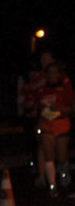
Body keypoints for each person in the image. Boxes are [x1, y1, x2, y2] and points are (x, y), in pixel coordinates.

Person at [32, 62, 73, 196]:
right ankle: (52, 185)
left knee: (61, 157)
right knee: (48, 155)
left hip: (61, 124)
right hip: (46, 124)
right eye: (50, 73)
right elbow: (38, 109)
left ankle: (63, 172)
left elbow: (71, 108)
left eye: (55, 72)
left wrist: (60, 109)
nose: (52, 75)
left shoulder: (66, 89)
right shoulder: (41, 90)